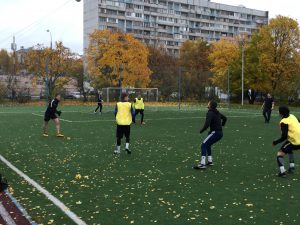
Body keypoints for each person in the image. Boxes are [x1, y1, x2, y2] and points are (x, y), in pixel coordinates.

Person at [193, 100, 227, 169]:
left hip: (215, 133)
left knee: (203, 145)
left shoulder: (210, 113)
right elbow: (225, 118)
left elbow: (207, 124)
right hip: (220, 133)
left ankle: (202, 164)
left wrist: (201, 130)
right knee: (208, 145)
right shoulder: (216, 112)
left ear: (210, 105)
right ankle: (210, 161)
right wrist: (222, 125)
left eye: (208, 103)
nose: (207, 104)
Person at [273, 106, 300, 177]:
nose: (278, 112)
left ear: (281, 113)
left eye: (279, 111)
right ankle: (292, 167)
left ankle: (282, 172)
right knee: (288, 149)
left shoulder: (284, 122)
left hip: (294, 141)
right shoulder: (292, 116)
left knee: (280, 154)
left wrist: (276, 142)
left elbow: (284, 136)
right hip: (297, 140)